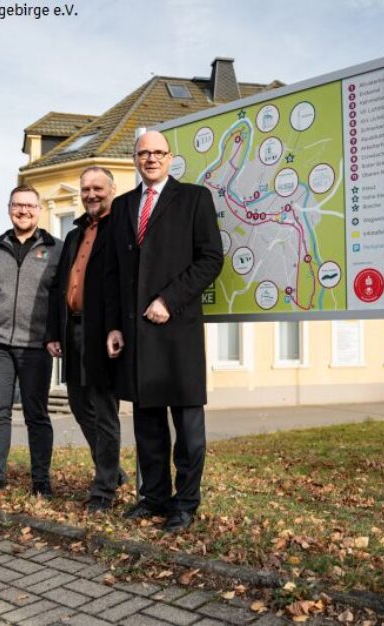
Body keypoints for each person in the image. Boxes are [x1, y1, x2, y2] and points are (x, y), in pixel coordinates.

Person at [105, 130, 223, 532]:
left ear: (170, 158)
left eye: (158, 152)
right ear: (135, 159)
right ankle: (153, 497)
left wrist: (169, 300)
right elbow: (115, 274)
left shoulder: (194, 198)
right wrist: (116, 326)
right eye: (144, 153)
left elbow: (211, 259)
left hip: (177, 332)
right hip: (137, 337)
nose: (151, 158)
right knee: (148, 427)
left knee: (188, 431)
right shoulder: (122, 207)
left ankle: (185, 504)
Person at [46, 167, 126, 512]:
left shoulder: (121, 227)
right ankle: (113, 472)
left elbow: (124, 284)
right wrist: (54, 331)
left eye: (98, 188)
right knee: (80, 406)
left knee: (105, 412)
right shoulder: (76, 233)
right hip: (73, 330)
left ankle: (104, 489)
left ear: (112, 189)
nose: (91, 194)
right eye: (86, 189)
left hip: (103, 332)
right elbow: (59, 285)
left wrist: (117, 327)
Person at [0, 185, 61, 496]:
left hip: (36, 345)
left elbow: (59, 295)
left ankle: (41, 480)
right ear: (9, 208)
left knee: (36, 413)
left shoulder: (56, 247)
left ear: (39, 210)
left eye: (29, 205)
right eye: (17, 205)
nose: (23, 211)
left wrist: (52, 333)